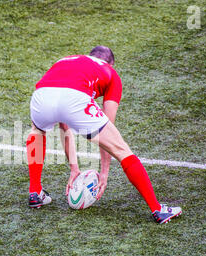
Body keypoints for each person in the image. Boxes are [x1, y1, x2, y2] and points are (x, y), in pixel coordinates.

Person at [26, 46, 182, 224]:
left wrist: (74, 168)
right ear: (111, 63)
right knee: (121, 149)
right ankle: (157, 210)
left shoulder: (68, 59)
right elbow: (109, 124)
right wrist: (104, 173)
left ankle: (35, 192)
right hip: (75, 97)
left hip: (42, 95)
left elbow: (64, 122)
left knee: (37, 131)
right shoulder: (111, 73)